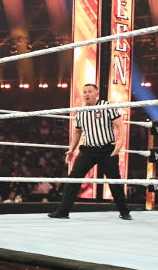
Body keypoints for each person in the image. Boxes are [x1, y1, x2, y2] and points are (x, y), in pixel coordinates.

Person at [48, 83, 132, 220]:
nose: (87, 94)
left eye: (90, 91)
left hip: (106, 149)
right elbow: (77, 132)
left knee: (115, 180)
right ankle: (63, 211)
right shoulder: (81, 111)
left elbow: (120, 126)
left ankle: (124, 212)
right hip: (88, 150)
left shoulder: (107, 106)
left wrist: (120, 143)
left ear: (97, 93)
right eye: (85, 91)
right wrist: (71, 150)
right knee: (73, 178)